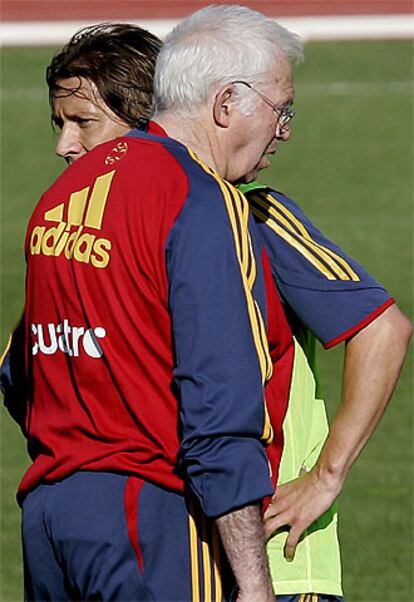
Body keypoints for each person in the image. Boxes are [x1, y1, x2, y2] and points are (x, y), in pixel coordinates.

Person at [2, 12, 411, 602]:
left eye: (83, 123)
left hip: (259, 542)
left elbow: (381, 328)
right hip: (202, 534)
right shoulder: (183, 205)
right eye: (279, 111)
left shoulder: (235, 210)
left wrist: (324, 476)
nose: (68, 145)